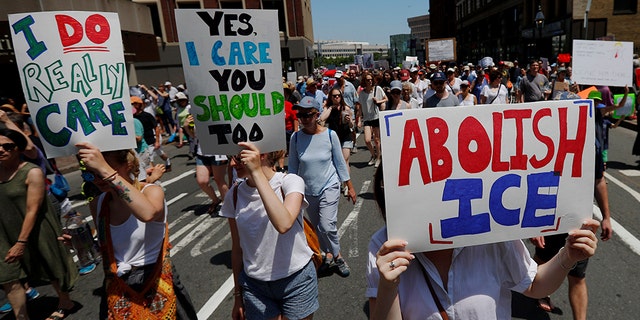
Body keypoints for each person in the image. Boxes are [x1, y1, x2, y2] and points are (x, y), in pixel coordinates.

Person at [366, 165, 600, 320]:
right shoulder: (384, 246)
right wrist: (388, 286)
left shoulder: (487, 229)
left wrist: (568, 256)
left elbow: (535, 284)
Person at [529, 88, 626, 319]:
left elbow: (599, 180)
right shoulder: (536, 146)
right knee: (543, 259)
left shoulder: (589, 145)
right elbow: (527, 184)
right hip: (548, 214)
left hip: (577, 217)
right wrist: (534, 226)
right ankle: (539, 290)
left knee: (578, 273)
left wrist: (607, 217)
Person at [77, 142, 197, 319]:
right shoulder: (98, 202)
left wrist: (106, 171)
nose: (97, 178)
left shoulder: (152, 191)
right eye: (91, 173)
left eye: (102, 169)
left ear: (127, 165)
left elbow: (147, 213)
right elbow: (107, 248)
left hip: (154, 280)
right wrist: (83, 244)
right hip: (118, 286)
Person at [221, 142, 318, 320]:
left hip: (296, 280)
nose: (233, 165)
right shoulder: (233, 195)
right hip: (255, 285)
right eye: (231, 159)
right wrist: (237, 297)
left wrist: (257, 173)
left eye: (237, 158)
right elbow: (237, 249)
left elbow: (283, 224)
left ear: (261, 155)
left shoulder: (290, 182)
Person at [0, 128, 78, 320]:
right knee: (9, 276)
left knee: (50, 267)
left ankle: (65, 301)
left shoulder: (31, 172)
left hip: (35, 230)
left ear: (17, 148)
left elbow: (32, 210)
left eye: (7, 146)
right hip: (4, 232)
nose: (1, 150)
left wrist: (21, 242)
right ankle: (22, 317)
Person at [288, 97, 357, 278]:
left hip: (329, 185)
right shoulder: (295, 138)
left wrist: (349, 186)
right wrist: (289, 192)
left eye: (308, 115)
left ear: (316, 115)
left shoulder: (329, 135)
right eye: (300, 115)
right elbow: (293, 168)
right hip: (308, 189)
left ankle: (338, 256)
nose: (303, 119)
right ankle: (327, 254)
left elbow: (340, 163)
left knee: (327, 225)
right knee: (318, 228)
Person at [183, 114, 230, 214]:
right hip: (202, 153)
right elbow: (194, 136)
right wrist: (186, 127)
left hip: (217, 152)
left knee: (219, 180)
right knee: (202, 181)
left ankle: (228, 205)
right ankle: (215, 200)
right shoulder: (194, 114)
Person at [320, 88, 355, 196]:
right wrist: (330, 108)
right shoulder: (328, 108)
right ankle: (338, 181)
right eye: (334, 96)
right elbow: (321, 119)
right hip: (333, 138)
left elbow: (352, 126)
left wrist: (350, 122)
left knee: (345, 160)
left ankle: (346, 185)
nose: (337, 98)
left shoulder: (346, 108)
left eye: (338, 96)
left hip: (346, 136)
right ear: (330, 97)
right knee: (335, 161)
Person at [356, 73, 387, 168]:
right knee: (367, 140)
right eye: (367, 80)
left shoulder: (378, 89)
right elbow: (360, 106)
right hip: (367, 118)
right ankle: (373, 155)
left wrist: (378, 101)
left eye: (370, 79)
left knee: (377, 140)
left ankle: (378, 157)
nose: (369, 81)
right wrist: (359, 120)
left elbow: (386, 99)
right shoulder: (362, 93)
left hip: (376, 116)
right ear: (364, 81)